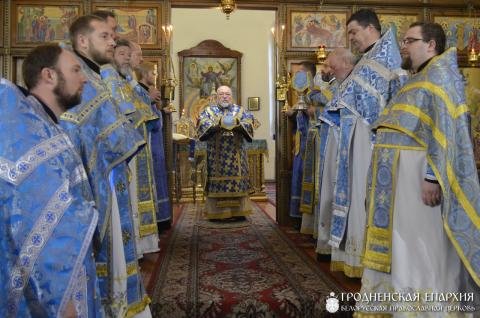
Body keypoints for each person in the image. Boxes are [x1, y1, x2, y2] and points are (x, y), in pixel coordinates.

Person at [357, 22, 480, 315]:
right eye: (403, 40)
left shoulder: (441, 78)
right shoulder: (420, 78)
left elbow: (447, 134)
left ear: (431, 45)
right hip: (400, 187)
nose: (404, 46)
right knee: (405, 249)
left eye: (410, 41)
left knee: (423, 249)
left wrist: (432, 176)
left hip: (419, 185)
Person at [59, 15, 151, 317]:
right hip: (91, 180)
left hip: (110, 175)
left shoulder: (98, 74)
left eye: (113, 36)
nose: (114, 41)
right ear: (83, 41)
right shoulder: (78, 76)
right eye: (106, 36)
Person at [1, 44, 102, 317]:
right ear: (49, 75)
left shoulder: (45, 126)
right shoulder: (31, 137)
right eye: (76, 69)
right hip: (54, 294)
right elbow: (42, 226)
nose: (84, 78)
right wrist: (66, 306)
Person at [329, 9, 407, 278]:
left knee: (366, 193)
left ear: (371, 27)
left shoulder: (387, 58)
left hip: (371, 141)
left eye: (353, 32)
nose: (351, 38)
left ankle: (369, 263)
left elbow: (389, 103)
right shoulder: (367, 59)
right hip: (355, 139)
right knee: (356, 193)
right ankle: (356, 257)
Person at [109, 38, 161, 257]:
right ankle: (134, 246)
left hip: (138, 147)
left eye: (128, 54)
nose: (129, 58)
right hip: (125, 151)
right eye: (123, 54)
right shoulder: (113, 80)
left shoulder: (127, 81)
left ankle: (140, 243)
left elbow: (145, 112)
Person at [197, 85, 255, 220]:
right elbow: (202, 128)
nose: (224, 96)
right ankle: (217, 213)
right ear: (216, 96)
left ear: (231, 96)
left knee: (238, 183)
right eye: (221, 94)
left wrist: (238, 123)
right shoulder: (208, 111)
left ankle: (239, 212)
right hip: (216, 158)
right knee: (217, 183)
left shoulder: (240, 111)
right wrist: (218, 124)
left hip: (237, 158)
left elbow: (249, 125)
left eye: (227, 94)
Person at [135, 61, 172, 228]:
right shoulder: (140, 92)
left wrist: (161, 111)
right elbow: (146, 119)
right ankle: (157, 219)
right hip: (148, 142)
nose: (155, 76)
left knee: (159, 176)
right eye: (153, 73)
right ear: (145, 74)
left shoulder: (147, 92)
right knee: (153, 178)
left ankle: (162, 217)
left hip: (156, 142)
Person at [286, 61, 316, 229]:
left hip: (310, 142)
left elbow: (315, 115)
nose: (298, 76)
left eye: (301, 72)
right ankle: (298, 216)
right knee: (298, 175)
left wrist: (304, 109)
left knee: (305, 175)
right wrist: (293, 112)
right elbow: (298, 116)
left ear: (309, 75)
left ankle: (306, 220)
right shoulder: (300, 93)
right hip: (300, 142)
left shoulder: (315, 93)